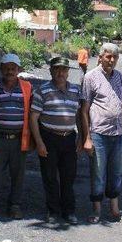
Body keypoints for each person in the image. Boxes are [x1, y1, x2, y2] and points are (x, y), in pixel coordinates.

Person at [81, 43, 122, 224]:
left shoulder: (120, 77)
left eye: (114, 57)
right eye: (108, 56)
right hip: (99, 134)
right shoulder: (90, 77)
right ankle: (96, 211)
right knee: (98, 173)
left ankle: (115, 209)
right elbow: (84, 109)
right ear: (100, 57)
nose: (111, 60)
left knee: (116, 172)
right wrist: (86, 138)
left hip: (118, 135)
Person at [0, 54, 33, 221]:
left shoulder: (27, 87)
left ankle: (14, 206)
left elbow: (32, 114)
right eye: (7, 68)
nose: (10, 71)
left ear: (18, 70)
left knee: (18, 174)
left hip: (19, 139)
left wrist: (34, 140)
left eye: (13, 68)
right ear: (1, 69)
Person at [30, 57, 83, 225]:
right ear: (51, 71)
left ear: (68, 72)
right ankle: (53, 211)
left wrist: (82, 137)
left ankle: (69, 211)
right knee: (50, 177)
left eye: (64, 69)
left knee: (68, 177)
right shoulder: (42, 90)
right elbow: (33, 118)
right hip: (48, 138)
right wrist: (39, 142)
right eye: (57, 69)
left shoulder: (76, 90)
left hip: (69, 139)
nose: (60, 73)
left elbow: (80, 116)